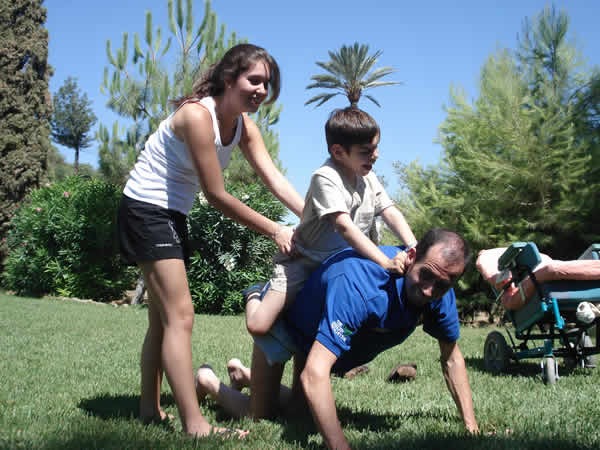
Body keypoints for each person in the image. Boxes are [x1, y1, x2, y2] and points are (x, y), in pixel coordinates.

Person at [117, 43, 304, 438]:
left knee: (162, 318)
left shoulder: (243, 126)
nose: (261, 90)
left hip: (171, 213)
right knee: (180, 316)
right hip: (146, 208)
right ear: (228, 78)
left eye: (266, 84)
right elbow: (216, 195)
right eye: (254, 80)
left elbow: (274, 180)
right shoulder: (197, 117)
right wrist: (274, 228)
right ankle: (195, 425)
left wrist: (317, 217)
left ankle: (150, 409)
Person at [196, 229, 480, 448]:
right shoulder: (362, 286)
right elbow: (314, 374)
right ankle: (208, 381)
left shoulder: (440, 291)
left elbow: (452, 359)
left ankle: (245, 376)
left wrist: (471, 428)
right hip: (283, 322)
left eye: (443, 284)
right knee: (261, 415)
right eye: (426, 275)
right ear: (411, 255)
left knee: (299, 414)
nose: (430, 291)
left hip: (313, 337)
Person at [245, 107, 417, 341]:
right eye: (366, 151)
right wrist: (385, 262)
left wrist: (413, 246)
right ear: (338, 151)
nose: (375, 155)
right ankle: (254, 293)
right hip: (304, 260)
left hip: (338, 263)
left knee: (312, 332)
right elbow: (344, 227)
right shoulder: (325, 178)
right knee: (259, 325)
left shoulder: (369, 177)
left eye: (376, 147)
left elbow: (390, 212)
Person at [477, 247, 600, 311]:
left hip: (537, 277)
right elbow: (495, 279)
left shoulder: (491, 256)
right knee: (552, 269)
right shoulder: (485, 259)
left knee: (552, 268)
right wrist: (503, 280)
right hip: (518, 291)